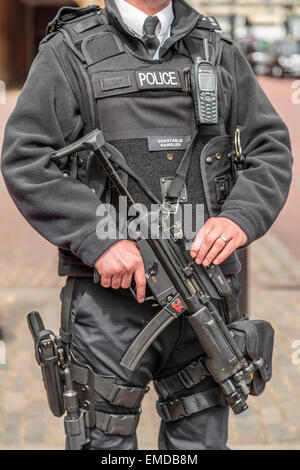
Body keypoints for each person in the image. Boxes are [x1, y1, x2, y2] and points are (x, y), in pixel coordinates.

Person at [1, 0, 292, 450]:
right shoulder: (69, 51)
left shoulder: (216, 49)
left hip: (205, 296)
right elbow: (26, 158)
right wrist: (99, 238)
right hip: (108, 305)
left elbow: (269, 148)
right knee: (105, 446)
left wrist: (241, 217)